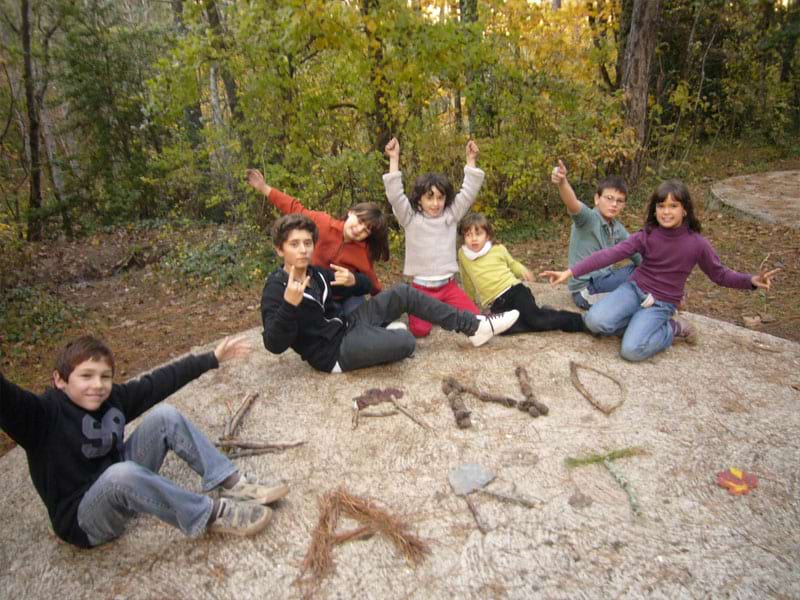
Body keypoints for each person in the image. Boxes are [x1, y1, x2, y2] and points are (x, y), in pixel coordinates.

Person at [0, 335, 289, 548]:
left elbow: (158, 382)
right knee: (119, 474)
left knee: (164, 415)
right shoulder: (40, 417)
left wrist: (210, 359)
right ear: (59, 380)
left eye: (105, 377)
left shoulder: (112, 399)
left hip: (122, 485)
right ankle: (210, 515)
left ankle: (232, 482)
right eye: (86, 376)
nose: (97, 385)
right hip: (85, 519)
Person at [540, 180, 780, 362]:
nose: (666, 212)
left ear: (685, 210)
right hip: (633, 290)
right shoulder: (647, 235)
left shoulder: (697, 244)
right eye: (661, 206)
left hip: (661, 302)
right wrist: (570, 272)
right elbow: (609, 255)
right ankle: (639, 323)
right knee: (594, 322)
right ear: (655, 209)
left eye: (673, 206)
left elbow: (719, 274)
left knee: (631, 351)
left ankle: (672, 328)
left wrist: (750, 280)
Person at [260, 214, 519, 373]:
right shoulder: (276, 289)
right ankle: (380, 336)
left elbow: (366, 286)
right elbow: (273, 344)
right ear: (279, 250)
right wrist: (289, 306)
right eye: (294, 244)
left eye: (307, 243)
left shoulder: (316, 273)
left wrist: (353, 280)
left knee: (403, 292)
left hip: (350, 324)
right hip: (333, 353)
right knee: (406, 342)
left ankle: (474, 327)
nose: (303, 250)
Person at [246, 168, 389, 313]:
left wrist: (379, 300)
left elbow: (372, 283)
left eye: (366, 230)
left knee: (358, 318)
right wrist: (263, 188)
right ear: (351, 212)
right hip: (315, 291)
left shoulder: (362, 251)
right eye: (359, 221)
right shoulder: (322, 223)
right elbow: (293, 207)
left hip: (344, 297)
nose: (359, 229)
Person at [382, 137, 482, 338]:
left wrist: (471, 160)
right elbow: (395, 196)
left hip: (449, 287)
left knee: (476, 320)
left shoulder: (450, 216)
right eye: (430, 197)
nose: (436, 203)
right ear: (419, 199)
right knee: (420, 331)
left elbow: (469, 192)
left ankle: (441, 309)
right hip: (421, 291)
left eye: (440, 197)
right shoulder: (410, 218)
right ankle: (435, 311)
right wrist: (394, 159)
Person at [457, 213, 585, 335]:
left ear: (487, 235)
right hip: (496, 304)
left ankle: (579, 321)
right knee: (501, 330)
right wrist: (471, 302)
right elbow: (467, 279)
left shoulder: (497, 249)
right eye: (468, 235)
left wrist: (522, 270)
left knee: (536, 320)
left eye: (478, 234)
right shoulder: (463, 255)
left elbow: (512, 264)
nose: (473, 238)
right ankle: (545, 313)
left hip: (515, 291)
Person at [551, 159, 641, 310]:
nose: (614, 204)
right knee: (641, 278)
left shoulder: (617, 229)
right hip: (586, 290)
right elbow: (572, 203)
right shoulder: (588, 219)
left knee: (646, 269)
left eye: (619, 201)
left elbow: (638, 254)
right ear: (597, 199)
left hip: (604, 282)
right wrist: (562, 182)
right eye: (609, 198)